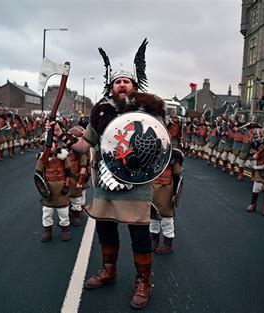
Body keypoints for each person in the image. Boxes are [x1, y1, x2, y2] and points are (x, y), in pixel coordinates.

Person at [46, 39, 162, 309]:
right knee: (105, 229)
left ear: (135, 86)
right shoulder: (100, 112)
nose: (122, 84)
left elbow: (160, 144)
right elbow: (84, 145)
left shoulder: (147, 112)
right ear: (111, 86)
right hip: (106, 180)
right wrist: (62, 134)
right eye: (118, 81)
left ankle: (144, 281)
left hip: (136, 180)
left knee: (139, 234)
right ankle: (109, 271)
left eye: (127, 81)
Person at [35, 134, 71, 242]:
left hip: (61, 190)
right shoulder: (42, 158)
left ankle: (65, 231)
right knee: (47, 212)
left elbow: (68, 172)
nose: (50, 146)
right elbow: (38, 175)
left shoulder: (63, 156)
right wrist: (43, 190)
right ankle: (47, 231)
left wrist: (67, 185)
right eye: (47, 145)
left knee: (63, 212)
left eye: (52, 143)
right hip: (48, 190)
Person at [150, 148, 183, 254]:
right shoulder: (150, 151)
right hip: (152, 188)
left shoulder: (173, 155)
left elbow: (177, 176)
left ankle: (168, 244)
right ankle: (154, 241)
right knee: (152, 216)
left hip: (166, 189)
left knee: (166, 217)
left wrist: (175, 194)